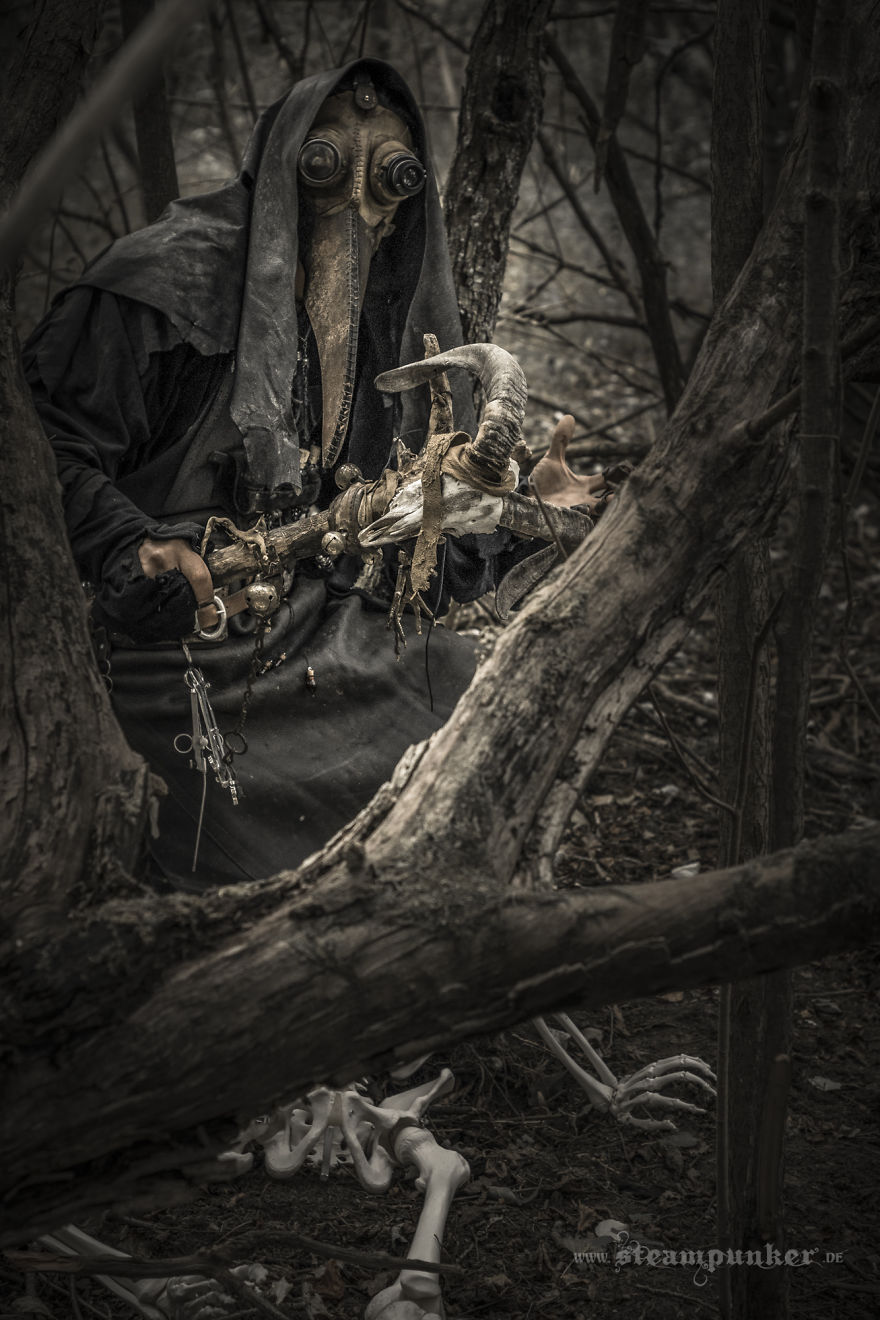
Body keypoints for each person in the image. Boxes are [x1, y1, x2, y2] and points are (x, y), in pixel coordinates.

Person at [25, 58, 605, 890]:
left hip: (321, 639)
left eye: (391, 180)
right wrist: (133, 545)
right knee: (217, 842)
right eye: (328, 166)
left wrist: (515, 516)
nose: (358, 206)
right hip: (163, 650)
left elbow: (401, 557)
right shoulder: (163, 288)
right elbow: (45, 453)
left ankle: (413, 938)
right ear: (285, 160)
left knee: (467, 712)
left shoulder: (393, 320)